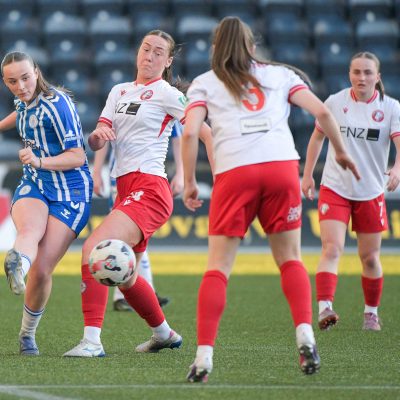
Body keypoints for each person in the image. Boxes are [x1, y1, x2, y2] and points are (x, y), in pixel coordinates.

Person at [182, 16, 360, 382]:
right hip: (281, 167)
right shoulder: (280, 75)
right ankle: (305, 335)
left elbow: (189, 133)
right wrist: (341, 151)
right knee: (290, 259)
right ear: (252, 46)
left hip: (235, 172)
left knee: (218, 268)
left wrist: (188, 181)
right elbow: (323, 112)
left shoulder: (205, 82)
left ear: (215, 48)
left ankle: (203, 357)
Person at [63, 30, 213, 357]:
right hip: (125, 189)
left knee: (95, 248)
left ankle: (92, 342)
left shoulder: (167, 93)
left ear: (168, 61)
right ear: (137, 52)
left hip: (150, 189)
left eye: (159, 52)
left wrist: (206, 177)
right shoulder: (118, 91)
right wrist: (98, 135)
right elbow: (97, 140)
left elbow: (204, 132)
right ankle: (164, 334)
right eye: (146, 49)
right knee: (126, 276)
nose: (150, 56)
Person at [0, 51, 93, 355]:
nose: (20, 86)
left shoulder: (58, 105)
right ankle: (17, 265)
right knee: (29, 231)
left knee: (42, 270)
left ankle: (27, 333)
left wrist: (39, 160)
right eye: (12, 81)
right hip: (36, 183)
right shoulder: (22, 99)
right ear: (5, 82)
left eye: (25, 78)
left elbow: (78, 157)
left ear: (37, 72)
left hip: (70, 193)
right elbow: (20, 112)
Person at [301, 52, 400, 332]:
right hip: (335, 187)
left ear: (378, 77)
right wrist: (307, 175)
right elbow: (317, 138)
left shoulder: (391, 107)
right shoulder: (335, 101)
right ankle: (325, 308)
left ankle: (371, 313)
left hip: (370, 191)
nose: (361, 77)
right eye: (356, 72)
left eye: (368, 72)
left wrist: (396, 169)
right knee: (332, 248)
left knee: (369, 257)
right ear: (349, 74)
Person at [92, 122, 184, 311]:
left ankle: (137, 291)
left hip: (147, 176)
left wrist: (181, 173)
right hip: (120, 177)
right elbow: (104, 134)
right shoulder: (118, 104)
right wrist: (97, 171)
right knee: (127, 235)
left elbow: (179, 136)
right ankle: (129, 293)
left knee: (136, 235)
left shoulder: (162, 105)